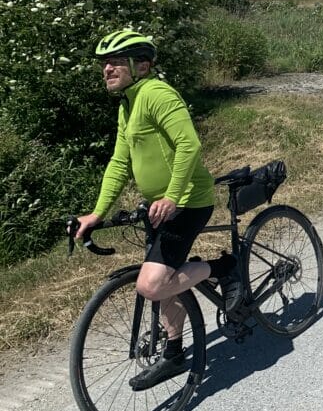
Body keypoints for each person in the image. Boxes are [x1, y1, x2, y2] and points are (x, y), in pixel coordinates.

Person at [73, 29, 242, 390]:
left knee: (151, 285)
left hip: (187, 202)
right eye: (105, 63)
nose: (107, 69)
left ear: (142, 65)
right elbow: (120, 162)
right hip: (158, 207)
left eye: (116, 62)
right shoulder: (128, 104)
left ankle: (224, 268)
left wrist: (173, 196)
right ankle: (175, 352)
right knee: (166, 281)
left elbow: (188, 145)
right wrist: (97, 213)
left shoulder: (157, 94)